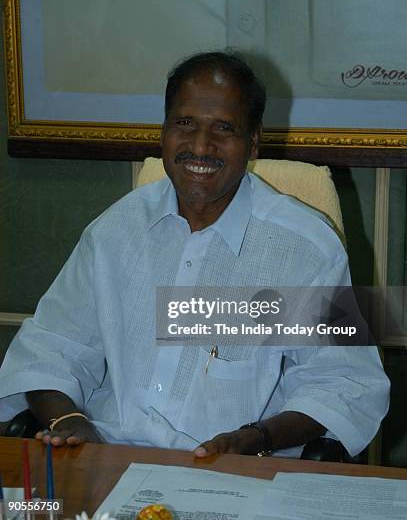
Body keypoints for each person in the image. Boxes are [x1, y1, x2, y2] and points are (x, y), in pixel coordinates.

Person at [0, 52, 389, 458]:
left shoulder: (306, 248)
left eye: (223, 128)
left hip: (238, 476)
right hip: (109, 462)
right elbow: (50, 349)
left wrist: (254, 439)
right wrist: (69, 423)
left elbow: (342, 383)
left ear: (253, 140)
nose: (200, 146)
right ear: (164, 130)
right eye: (184, 124)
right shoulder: (115, 230)